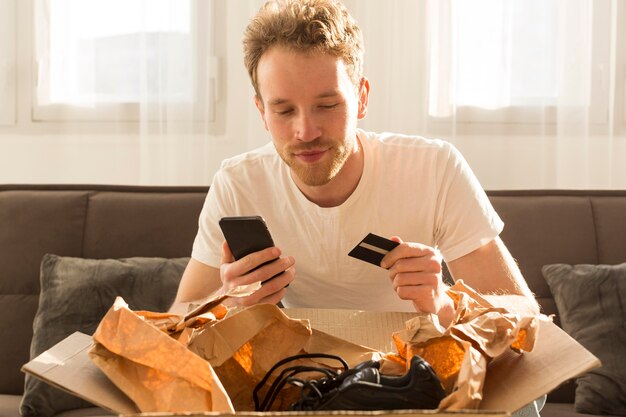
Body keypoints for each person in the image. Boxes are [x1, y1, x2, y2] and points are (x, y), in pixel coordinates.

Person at [171, 0, 539, 329]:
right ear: (262, 113)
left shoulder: (433, 167)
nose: (306, 131)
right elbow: (178, 316)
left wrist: (444, 302)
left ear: (361, 98)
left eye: (328, 105)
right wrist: (227, 304)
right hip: (303, 373)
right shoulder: (239, 183)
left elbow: (524, 313)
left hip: (418, 371)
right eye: (283, 110)